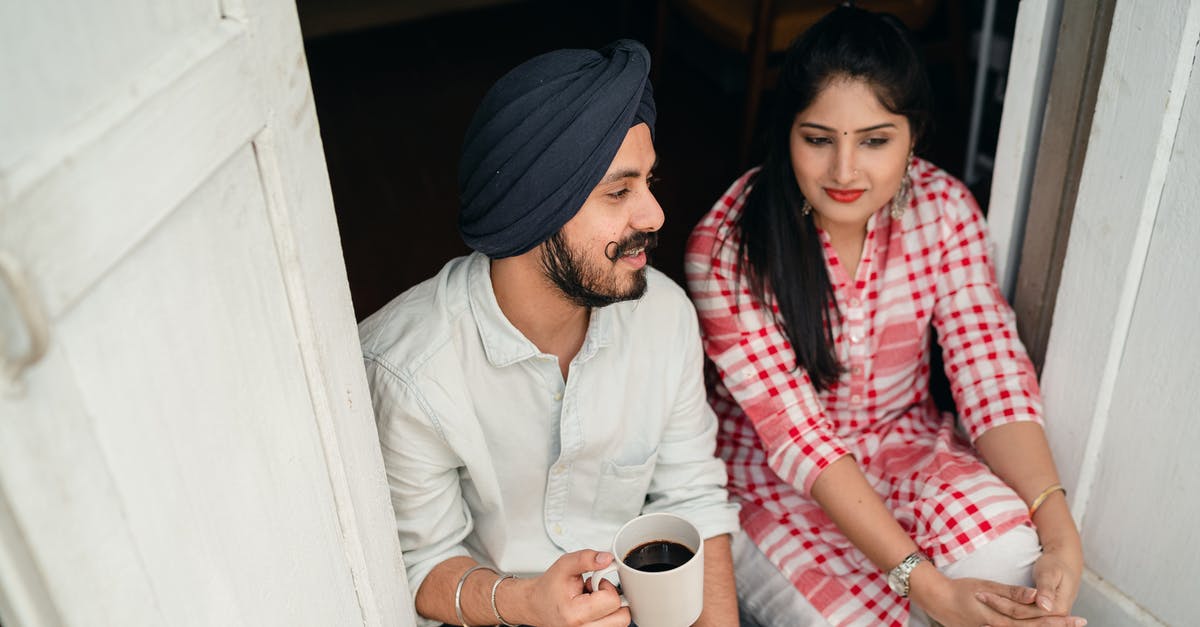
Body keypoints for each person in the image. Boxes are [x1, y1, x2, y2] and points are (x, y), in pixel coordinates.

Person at [685, 6, 1084, 627]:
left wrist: (1059, 532)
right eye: (818, 139)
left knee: (1012, 559)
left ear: (913, 135)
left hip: (904, 445)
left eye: (875, 140)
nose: (845, 171)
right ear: (786, 132)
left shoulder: (944, 209)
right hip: (771, 482)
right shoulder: (727, 248)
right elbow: (802, 442)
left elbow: (990, 372)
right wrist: (932, 591)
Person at [360, 40, 740, 627]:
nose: (655, 215)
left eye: (649, 181)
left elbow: (693, 499)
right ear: (533, 209)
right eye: (619, 191)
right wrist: (527, 603)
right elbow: (421, 564)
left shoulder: (662, 314)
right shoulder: (409, 371)